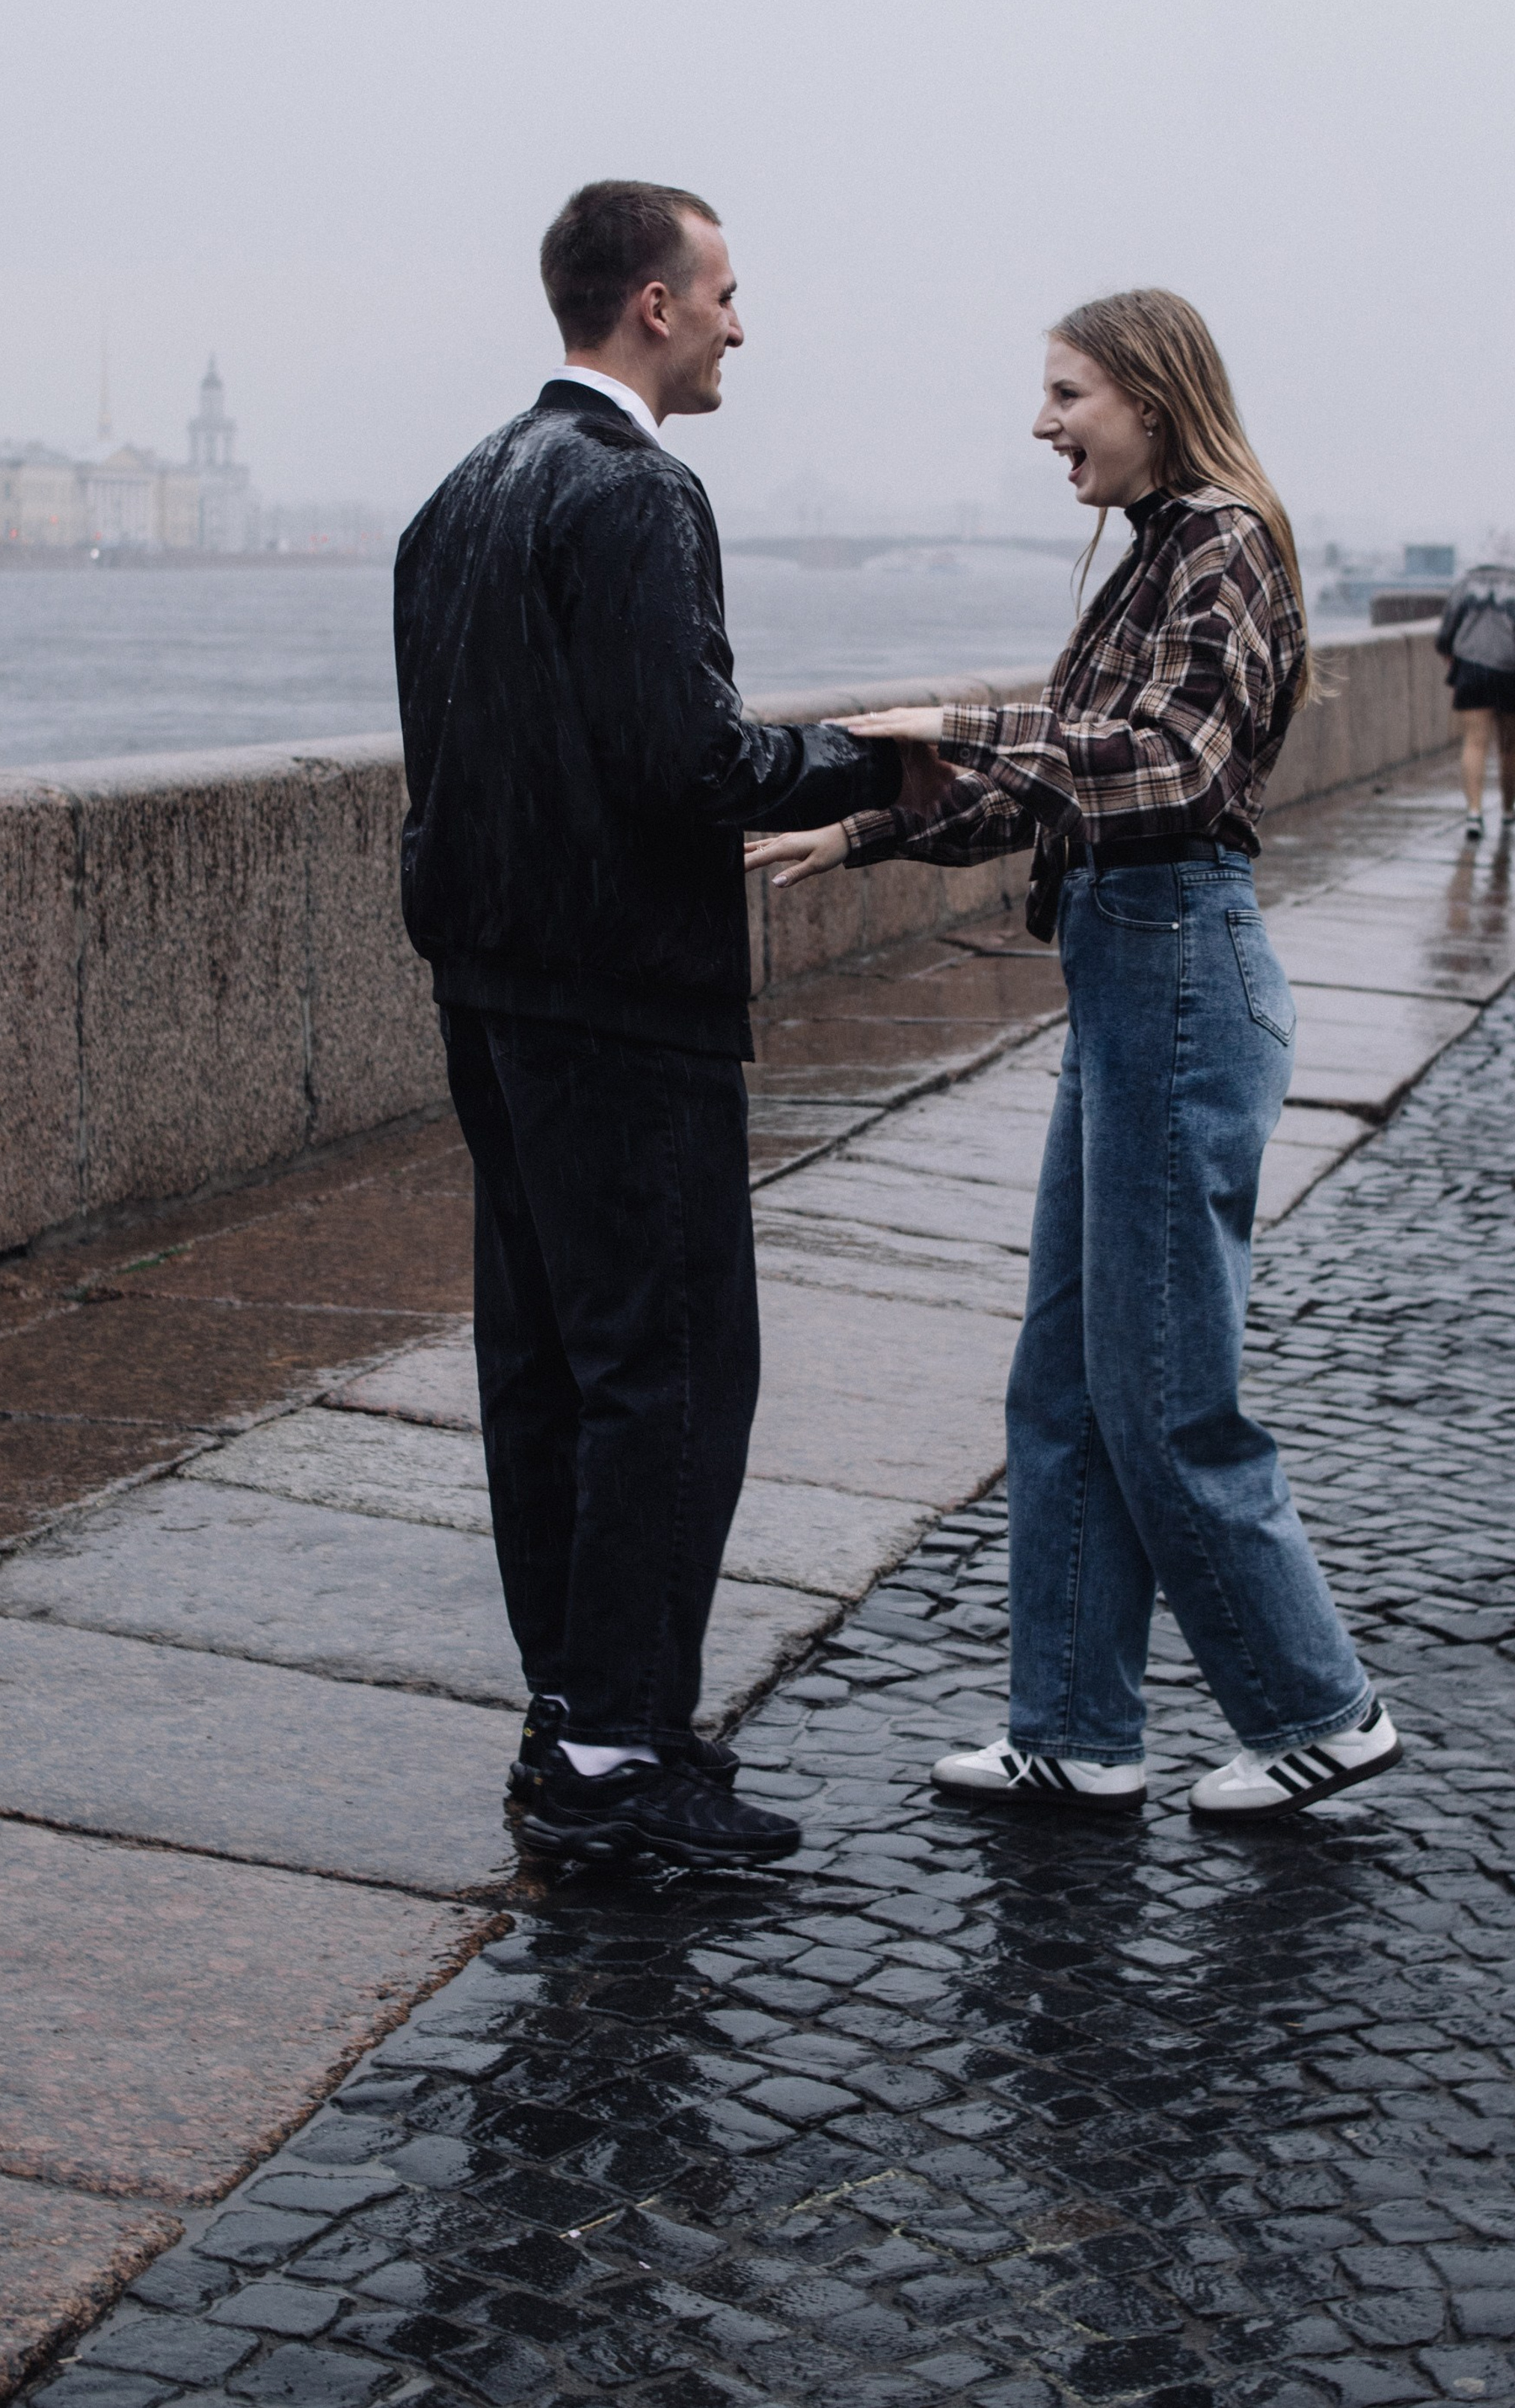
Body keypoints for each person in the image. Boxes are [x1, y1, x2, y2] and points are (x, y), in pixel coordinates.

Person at [745, 289, 1399, 1822]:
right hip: (1128, 969)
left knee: (1162, 1391)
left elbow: (1166, 764)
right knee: (1060, 1384)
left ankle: (1321, 1710)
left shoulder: (1223, 536)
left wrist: (967, 725)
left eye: (1064, 395)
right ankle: (1076, 1726)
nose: (1041, 427)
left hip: (1178, 970)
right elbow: (1068, 783)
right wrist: (862, 827)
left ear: (1150, 392)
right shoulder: (1156, 549)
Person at [392, 181, 913, 1870]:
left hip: (492, 995)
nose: (742, 326)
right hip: (624, 1002)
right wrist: (880, 757)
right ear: (653, 307)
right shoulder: (637, 498)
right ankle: (617, 1751)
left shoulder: (452, 498)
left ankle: (576, 1715)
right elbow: (689, 765)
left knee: (539, 1365)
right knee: (671, 1372)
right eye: (726, 292)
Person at [1433, 557, 1515, 841]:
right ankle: (1508, 809)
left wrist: (1450, 652)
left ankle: (1474, 813)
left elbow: (1446, 631)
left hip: (1472, 670)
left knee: (1475, 743)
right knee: (1510, 746)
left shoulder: (1467, 584)